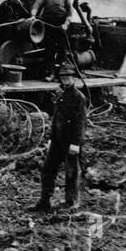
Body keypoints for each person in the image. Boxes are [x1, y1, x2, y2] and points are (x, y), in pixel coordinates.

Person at [32, 68, 88, 211]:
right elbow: (56, 118)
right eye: (63, 78)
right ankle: (45, 201)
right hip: (57, 140)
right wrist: (51, 138)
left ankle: (71, 202)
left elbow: (81, 122)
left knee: (71, 172)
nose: (65, 80)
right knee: (47, 169)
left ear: (74, 78)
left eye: (68, 77)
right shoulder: (60, 94)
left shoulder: (78, 97)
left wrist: (76, 144)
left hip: (70, 141)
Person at [31, 0, 73, 75]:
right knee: (49, 48)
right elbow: (37, 4)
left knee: (62, 48)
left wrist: (66, 24)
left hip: (61, 23)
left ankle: (58, 70)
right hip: (48, 22)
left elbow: (70, 11)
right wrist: (33, 15)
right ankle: (50, 71)